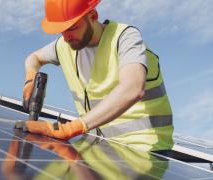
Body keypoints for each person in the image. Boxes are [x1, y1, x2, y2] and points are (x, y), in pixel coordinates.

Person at [15, 0, 174, 151]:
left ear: (92, 16)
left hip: (143, 149)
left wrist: (71, 128)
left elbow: (133, 88)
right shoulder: (65, 45)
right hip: (97, 145)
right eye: (61, 30)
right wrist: (30, 79)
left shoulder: (124, 37)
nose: (66, 36)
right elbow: (33, 58)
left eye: (71, 27)